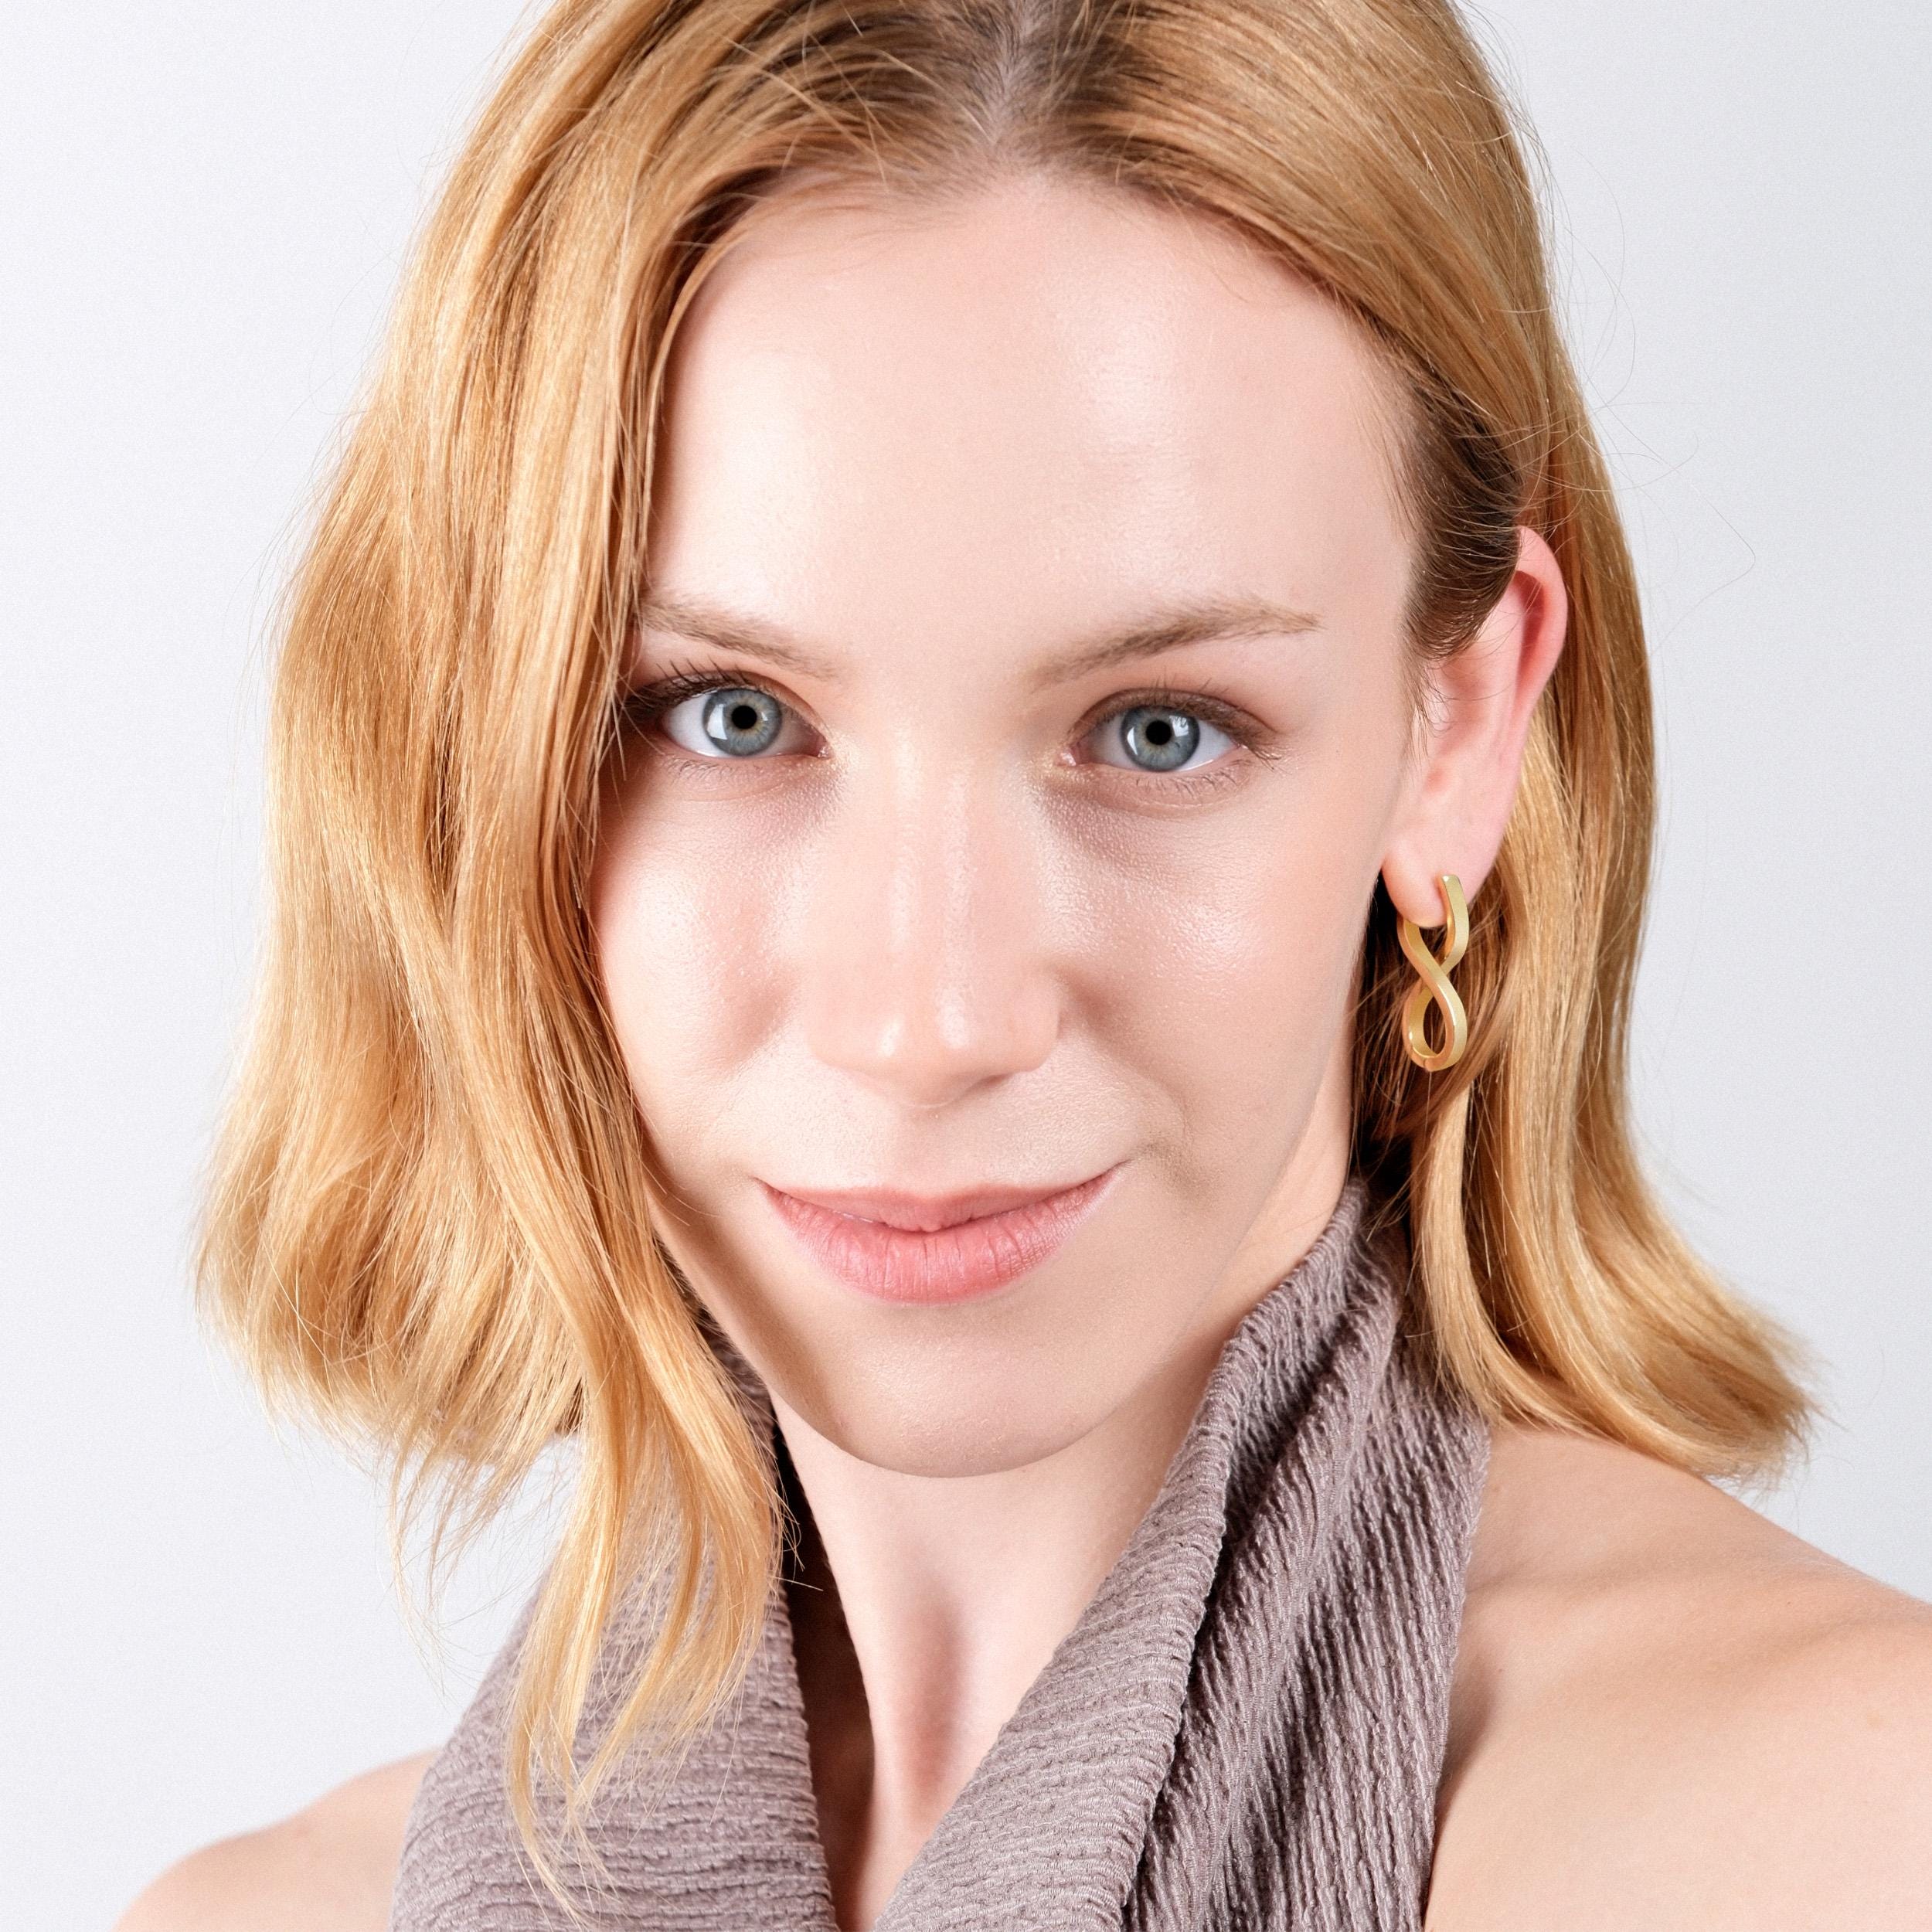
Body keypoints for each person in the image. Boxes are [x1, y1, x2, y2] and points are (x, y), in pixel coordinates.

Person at [117, 0, 1932, 1927]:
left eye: (1157, 729)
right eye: (728, 715)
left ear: (1455, 729)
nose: (930, 1019)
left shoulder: (1828, 1829)